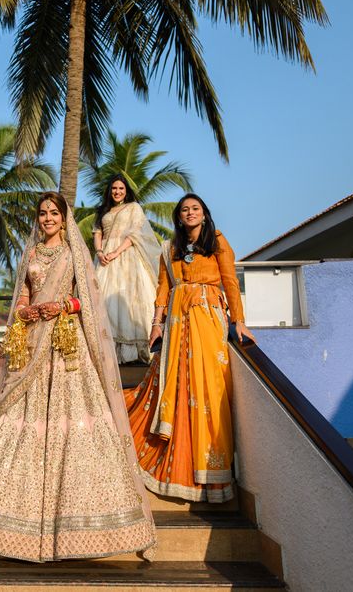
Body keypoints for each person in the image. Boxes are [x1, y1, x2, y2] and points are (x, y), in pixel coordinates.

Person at [0, 192, 156, 562]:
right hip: (34, 344)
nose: (47, 218)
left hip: (66, 343)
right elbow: (24, 297)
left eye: (53, 213)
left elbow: (87, 300)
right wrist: (27, 311)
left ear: (64, 218)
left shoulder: (73, 253)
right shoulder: (30, 254)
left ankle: (81, 524)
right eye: (43, 213)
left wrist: (62, 305)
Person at [125, 193, 254, 503]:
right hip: (177, 324)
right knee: (180, 386)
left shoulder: (217, 242)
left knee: (209, 388)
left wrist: (239, 321)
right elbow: (163, 289)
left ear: (204, 214)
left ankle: (210, 472)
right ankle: (177, 459)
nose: (190, 213)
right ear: (179, 217)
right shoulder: (170, 249)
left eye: (195, 208)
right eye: (185, 210)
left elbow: (230, 282)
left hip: (208, 318)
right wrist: (156, 323)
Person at [92, 175, 161, 364]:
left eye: (121, 188)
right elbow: (97, 232)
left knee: (127, 299)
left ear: (126, 190)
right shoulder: (103, 210)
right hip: (104, 258)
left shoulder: (134, 208)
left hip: (126, 255)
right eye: (114, 188)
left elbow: (136, 233)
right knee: (102, 299)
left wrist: (116, 252)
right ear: (109, 190)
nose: (117, 192)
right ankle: (106, 351)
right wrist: (99, 252)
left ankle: (133, 352)